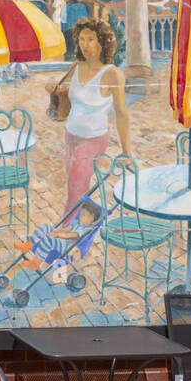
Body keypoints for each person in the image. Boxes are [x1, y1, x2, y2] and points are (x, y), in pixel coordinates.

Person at [45, 18, 132, 238]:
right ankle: (86, 221)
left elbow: (122, 113)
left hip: (93, 139)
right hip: (70, 135)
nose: (85, 44)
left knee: (77, 182)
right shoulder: (77, 66)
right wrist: (53, 87)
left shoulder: (112, 74)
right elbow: (70, 95)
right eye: (82, 39)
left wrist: (126, 151)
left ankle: (68, 230)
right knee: (75, 184)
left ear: (102, 42)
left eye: (91, 39)